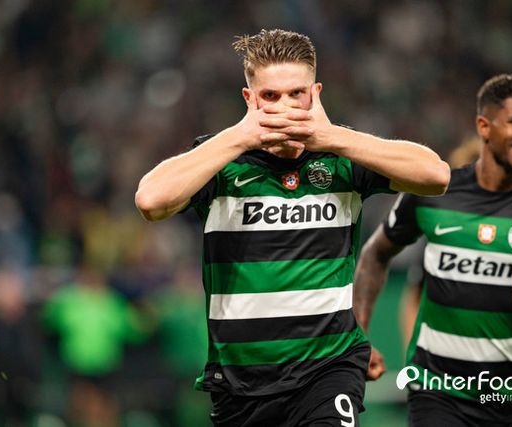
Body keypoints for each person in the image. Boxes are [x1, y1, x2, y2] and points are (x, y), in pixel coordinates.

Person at [135, 28, 450, 426]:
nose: (285, 107)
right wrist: (238, 137)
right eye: (270, 96)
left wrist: (332, 136)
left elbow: (436, 175)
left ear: (315, 94)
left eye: (296, 93)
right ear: (249, 99)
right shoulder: (222, 161)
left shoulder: (342, 157)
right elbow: (151, 201)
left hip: (328, 369)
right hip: (241, 383)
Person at [353, 74, 512, 426]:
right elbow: (376, 253)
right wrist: (359, 336)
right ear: (484, 126)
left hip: (509, 397)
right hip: (436, 391)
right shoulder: (434, 193)